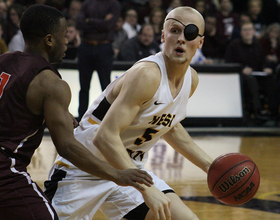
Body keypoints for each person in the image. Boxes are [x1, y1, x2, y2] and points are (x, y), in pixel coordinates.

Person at [45, 6, 213, 220]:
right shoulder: (147, 75)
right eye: (174, 30)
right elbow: (104, 137)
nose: (180, 39)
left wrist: (210, 166)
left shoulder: (191, 80)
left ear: (200, 42)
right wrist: (147, 190)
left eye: (189, 33)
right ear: (163, 35)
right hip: (85, 168)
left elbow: (167, 126)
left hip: (128, 170)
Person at [0, 4, 153, 220]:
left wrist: (48, 115)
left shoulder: (4, 60)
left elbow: (14, 105)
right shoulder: (52, 84)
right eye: (64, 35)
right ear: (49, 40)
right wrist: (117, 174)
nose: (67, 41)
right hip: (6, 170)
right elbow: (67, 147)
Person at [76, 0, 121, 121]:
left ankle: (107, 120)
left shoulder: (113, 4)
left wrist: (89, 20)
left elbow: (108, 25)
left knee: (106, 87)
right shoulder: (87, 3)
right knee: (84, 86)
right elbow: (79, 23)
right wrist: (101, 23)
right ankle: (81, 119)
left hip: (104, 48)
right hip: (86, 46)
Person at [225, 21, 278, 123]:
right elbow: (228, 62)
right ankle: (257, 111)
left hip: (257, 74)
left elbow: (262, 61)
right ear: (241, 32)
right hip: (240, 77)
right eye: (245, 30)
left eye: (250, 30)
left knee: (272, 79)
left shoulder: (258, 45)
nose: (247, 32)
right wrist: (241, 69)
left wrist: (266, 68)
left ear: (254, 32)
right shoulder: (233, 45)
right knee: (251, 81)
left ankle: (273, 112)